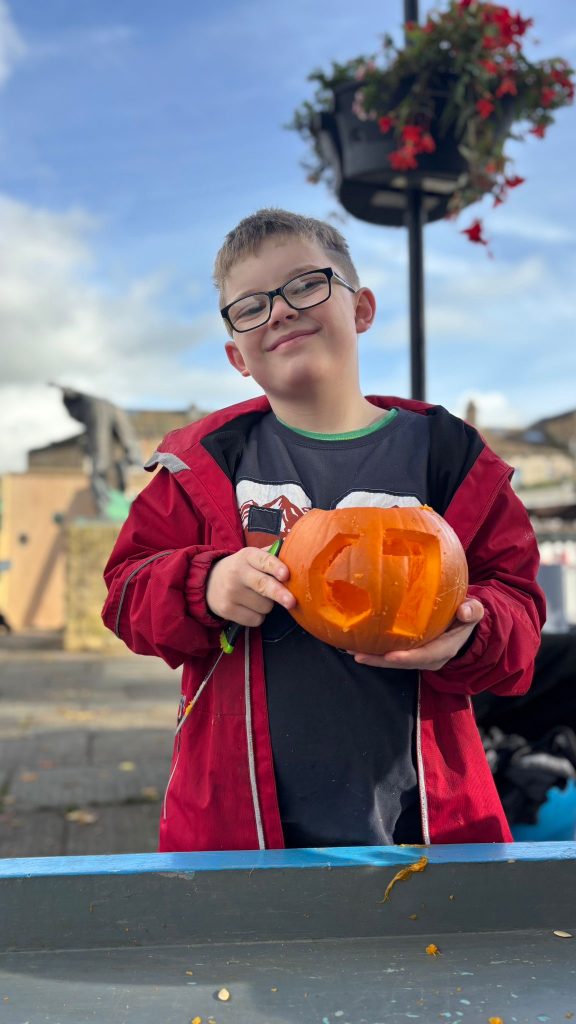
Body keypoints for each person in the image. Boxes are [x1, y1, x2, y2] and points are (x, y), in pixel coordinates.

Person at [102, 208, 545, 853]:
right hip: (239, 830)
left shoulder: (452, 459)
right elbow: (124, 592)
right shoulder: (201, 466)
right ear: (236, 355)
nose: (280, 311)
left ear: (361, 308)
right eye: (251, 306)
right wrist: (206, 584)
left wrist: (471, 631)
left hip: (425, 824)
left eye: (306, 285)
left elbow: (522, 614)